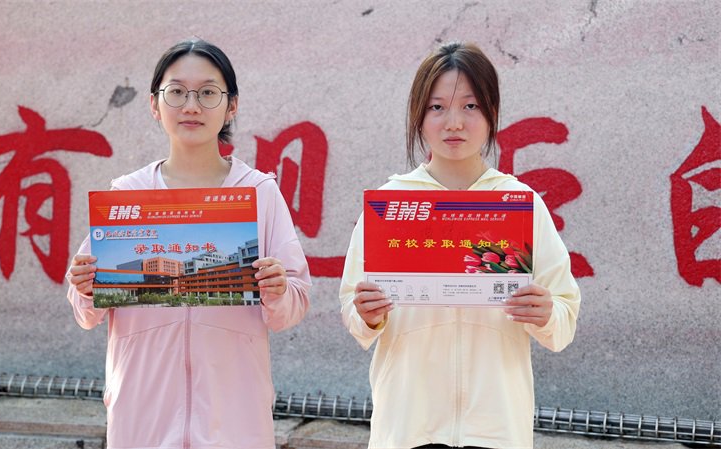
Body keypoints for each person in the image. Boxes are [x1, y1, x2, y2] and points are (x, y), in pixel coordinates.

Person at [66, 39, 311, 449]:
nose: (191, 106)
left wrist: (278, 290)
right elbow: (85, 311)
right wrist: (85, 288)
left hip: (233, 416)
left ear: (231, 106)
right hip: (142, 414)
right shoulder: (127, 195)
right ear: (154, 104)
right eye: (177, 92)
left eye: (208, 93)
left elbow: (295, 303)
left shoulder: (259, 193)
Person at [339, 41, 580, 449]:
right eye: (437, 107)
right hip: (409, 424)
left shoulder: (518, 204)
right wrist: (367, 315)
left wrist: (545, 314)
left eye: (470, 106)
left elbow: (564, 316)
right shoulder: (392, 204)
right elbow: (352, 306)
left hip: (496, 427)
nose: (454, 123)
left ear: (492, 114)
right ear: (419, 117)